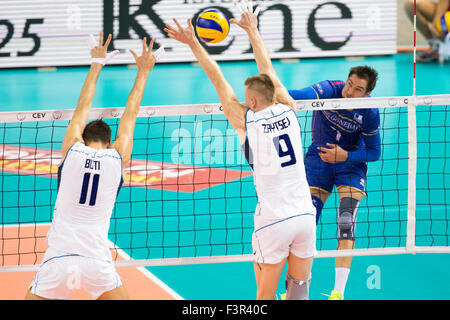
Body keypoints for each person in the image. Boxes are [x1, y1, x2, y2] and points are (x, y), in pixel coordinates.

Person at [164, 2, 316, 300]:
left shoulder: (247, 120)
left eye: (247, 98)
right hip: (305, 216)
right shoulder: (290, 108)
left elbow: (217, 77)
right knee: (299, 293)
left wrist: (193, 42)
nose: (244, 101)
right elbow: (267, 69)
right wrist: (252, 31)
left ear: (254, 102)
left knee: (264, 298)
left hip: (273, 220)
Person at [25, 33, 157, 300]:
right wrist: (143, 71)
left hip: (59, 259)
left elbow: (82, 106)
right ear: (110, 143)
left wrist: (97, 63)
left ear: (83, 139)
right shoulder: (117, 157)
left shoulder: (72, 149)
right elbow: (131, 113)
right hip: (97, 260)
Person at [288, 66, 381, 300]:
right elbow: (298, 95)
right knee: (305, 226)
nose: (349, 91)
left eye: (358, 89)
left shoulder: (369, 111)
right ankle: (294, 291)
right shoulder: (331, 89)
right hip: (319, 161)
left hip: (350, 164)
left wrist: (346, 156)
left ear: (367, 93)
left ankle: (337, 294)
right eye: (350, 83)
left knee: (346, 222)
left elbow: (375, 152)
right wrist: (272, 95)